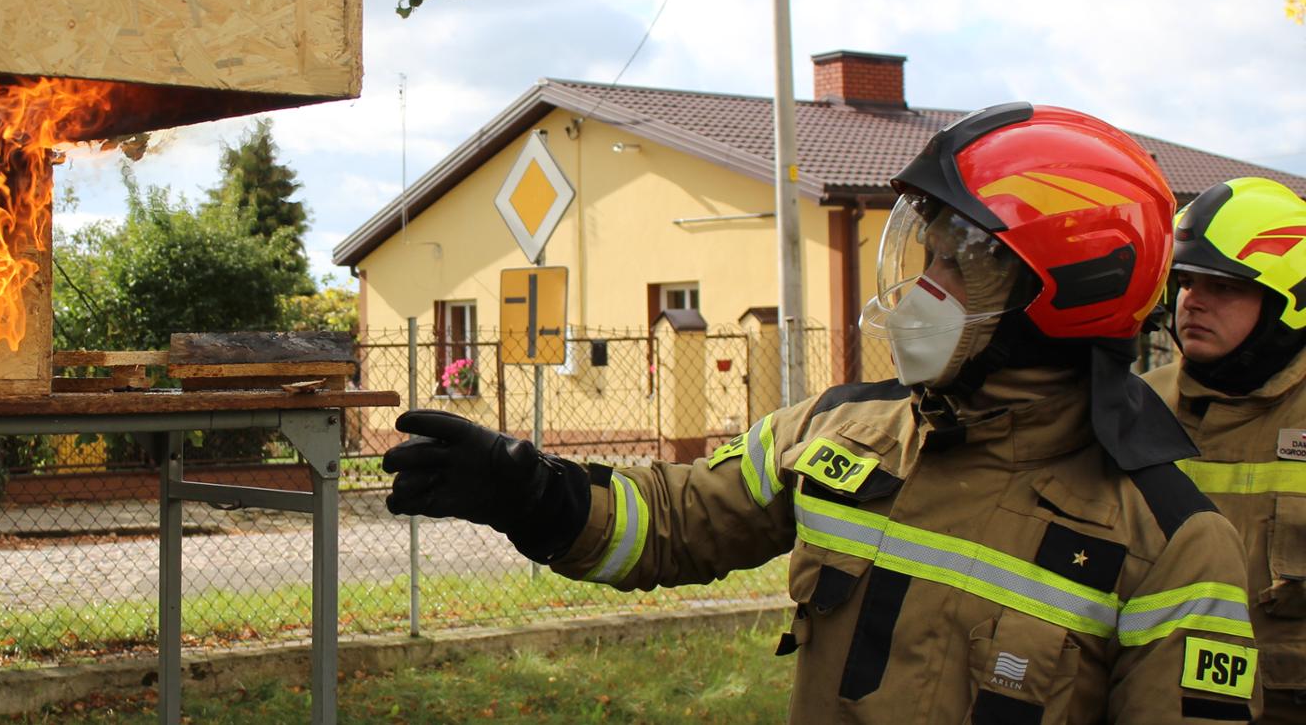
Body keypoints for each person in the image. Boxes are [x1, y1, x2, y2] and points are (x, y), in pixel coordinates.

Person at [385, 103, 1261, 723]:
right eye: (924, 252)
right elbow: (679, 519)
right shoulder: (842, 428)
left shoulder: (1170, 541)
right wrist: (533, 495)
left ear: (1067, 290)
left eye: (963, 265)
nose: (925, 289)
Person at [1145, 176, 1306, 723]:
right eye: (1186, 282)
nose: (1193, 302)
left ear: (1291, 302)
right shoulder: (1135, 407)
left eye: (1226, 286)